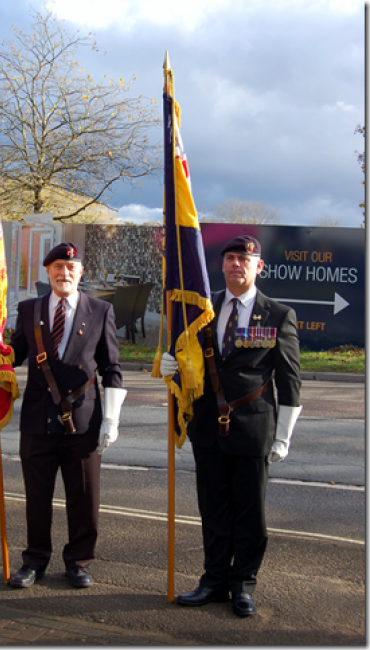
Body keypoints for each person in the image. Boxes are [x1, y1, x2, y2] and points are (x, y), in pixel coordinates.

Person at [161, 235, 302, 617]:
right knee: (214, 509)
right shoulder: (203, 311)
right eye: (229, 258)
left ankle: (243, 585)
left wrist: (284, 435)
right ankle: (213, 580)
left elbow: (289, 381)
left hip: (253, 427)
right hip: (207, 426)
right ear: (221, 266)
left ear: (259, 267)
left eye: (244, 258)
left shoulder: (278, 314)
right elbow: (187, 354)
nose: (235, 264)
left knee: (250, 512)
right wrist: (170, 364)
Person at [0, 242, 126, 589]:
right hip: (38, 419)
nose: (64, 273)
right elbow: (17, 352)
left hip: (84, 419)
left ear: (80, 272)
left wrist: (112, 419)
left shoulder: (101, 310)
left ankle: (78, 562)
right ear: (48, 272)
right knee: (37, 496)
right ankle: (34, 561)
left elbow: (112, 368)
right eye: (58, 267)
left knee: (84, 498)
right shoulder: (29, 309)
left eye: (71, 268)